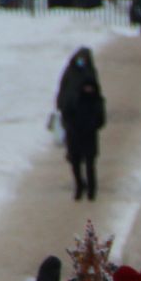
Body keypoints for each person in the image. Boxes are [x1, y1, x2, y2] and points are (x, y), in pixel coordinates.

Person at [56, 48, 105, 202]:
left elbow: (97, 97)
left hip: (88, 125)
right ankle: (79, 186)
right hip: (73, 124)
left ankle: (91, 188)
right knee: (75, 159)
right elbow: (62, 96)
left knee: (90, 159)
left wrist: (98, 120)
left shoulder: (90, 73)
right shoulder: (69, 73)